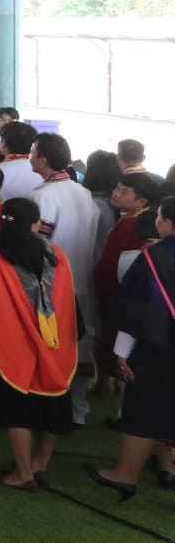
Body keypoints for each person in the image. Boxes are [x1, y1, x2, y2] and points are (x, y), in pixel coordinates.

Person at [0, 197, 79, 490]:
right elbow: (68, 300)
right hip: (55, 339)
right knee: (53, 402)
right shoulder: (56, 254)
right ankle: (38, 464)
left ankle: (23, 473)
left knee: (18, 409)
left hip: (14, 341)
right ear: (35, 224)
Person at [89, 195, 175, 499]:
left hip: (159, 345)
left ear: (168, 223)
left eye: (160, 217)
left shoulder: (154, 258)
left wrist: (121, 352)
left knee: (143, 408)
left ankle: (125, 474)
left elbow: (136, 309)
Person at [29, 133, 98, 424]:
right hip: (81, 274)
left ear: (43, 159)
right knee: (80, 341)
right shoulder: (82, 192)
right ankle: (78, 408)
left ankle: (51, 403)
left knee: (53, 340)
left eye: (33, 152)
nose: (30, 156)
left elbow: (38, 242)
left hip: (53, 281)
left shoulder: (44, 195)